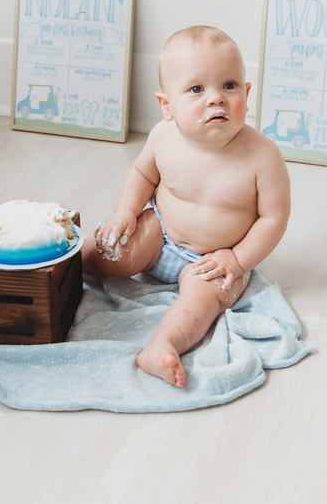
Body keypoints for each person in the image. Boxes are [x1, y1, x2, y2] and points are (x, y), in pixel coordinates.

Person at [83, 26, 290, 387]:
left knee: (201, 303)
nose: (216, 98)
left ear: (246, 94)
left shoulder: (262, 155)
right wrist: (125, 213)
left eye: (229, 85)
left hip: (216, 259)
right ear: (167, 106)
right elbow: (142, 174)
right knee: (105, 248)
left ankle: (162, 347)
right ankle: (55, 267)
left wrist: (237, 260)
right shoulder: (163, 137)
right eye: (196, 89)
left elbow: (274, 217)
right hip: (160, 234)